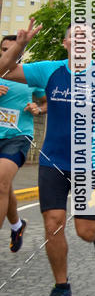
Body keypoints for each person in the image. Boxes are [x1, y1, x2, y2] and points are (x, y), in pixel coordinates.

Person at [0, 20, 95, 296]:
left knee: (85, 231)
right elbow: (4, 70)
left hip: (90, 165)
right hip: (52, 161)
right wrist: (20, 45)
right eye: (75, 36)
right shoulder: (49, 70)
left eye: (87, 37)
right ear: (66, 44)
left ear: (94, 45)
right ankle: (61, 287)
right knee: (52, 224)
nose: (81, 41)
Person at [0, 34, 46, 252]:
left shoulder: (29, 75)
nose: (9, 53)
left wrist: (38, 108)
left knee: (1, 182)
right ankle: (17, 225)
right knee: (4, 185)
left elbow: (47, 102)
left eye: (14, 49)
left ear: (21, 52)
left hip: (18, 136)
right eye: (4, 49)